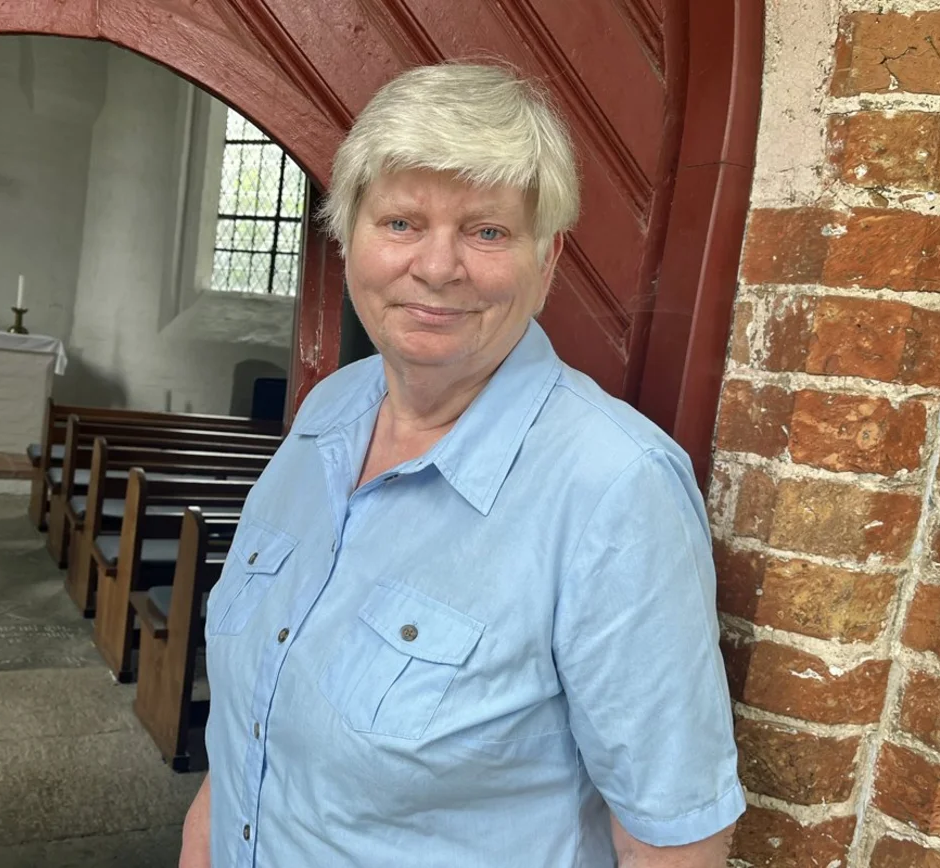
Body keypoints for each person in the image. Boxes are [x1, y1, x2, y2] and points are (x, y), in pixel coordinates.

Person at [179, 62, 744, 868]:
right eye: (401, 223)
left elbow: (676, 840)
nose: (437, 268)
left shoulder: (615, 489)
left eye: (487, 231)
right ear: (348, 238)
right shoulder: (328, 413)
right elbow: (246, 746)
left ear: (546, 264)